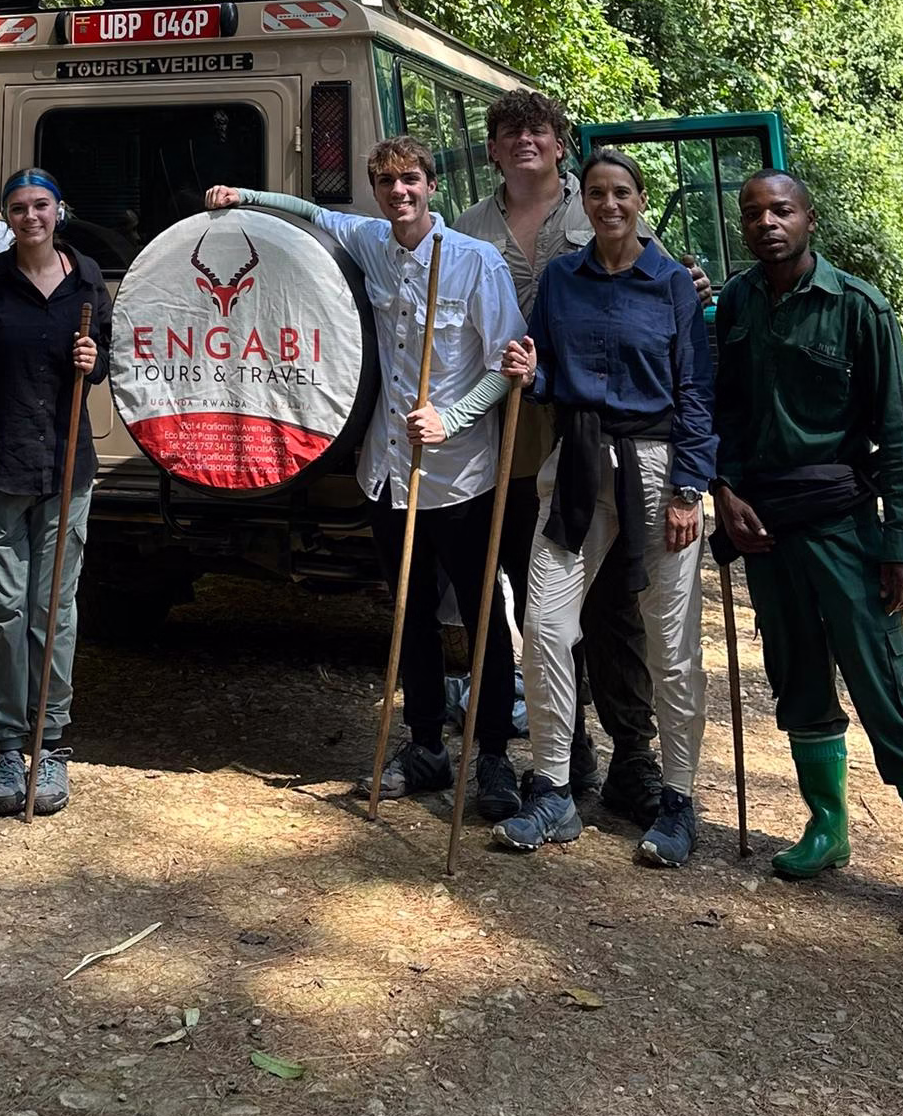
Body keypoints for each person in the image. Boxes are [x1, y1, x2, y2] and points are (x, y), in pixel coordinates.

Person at [206, 138, 527, 824]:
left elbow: (508, 364)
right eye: (384, 181)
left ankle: (494, 754)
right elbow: (312, 213)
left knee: (481, 621)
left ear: (431, 185)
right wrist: (243, 198)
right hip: (388, 474)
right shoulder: (372, 241)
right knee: (408, 614)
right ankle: (424, 747)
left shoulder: (476, 263)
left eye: (409, 179)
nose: (398, 192)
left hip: (460, 475)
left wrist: (454, 415)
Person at [712, 171, 903, 934]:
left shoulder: (860, 308)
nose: (766, 223)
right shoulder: (734, 305)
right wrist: (724, 492)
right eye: (753, 213)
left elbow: (898, 433)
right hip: (765, 525)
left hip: (845, 528)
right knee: (795, 678)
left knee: (883, 688)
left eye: (780, 210)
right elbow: (720, 412)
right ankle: (827, 827)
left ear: (809, 219)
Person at [494, 146, 713, 869]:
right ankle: (553, 786)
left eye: (621, 192)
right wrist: (535, 371)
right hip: (579, 459)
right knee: (546, 622)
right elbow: (550, 368)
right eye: (596, 193)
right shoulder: (561, 279)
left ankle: (677, 800)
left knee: (670, 641)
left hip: (656, 468)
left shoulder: (673, 284)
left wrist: (689, 488)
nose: (609, 204)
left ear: (639, 200)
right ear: (583, 204)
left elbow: (695, 394)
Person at [455, 91, 665, 825]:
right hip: (504, 447)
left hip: (596, 446)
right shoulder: (468, 229)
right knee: (535, 603)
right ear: (492, 149)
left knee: (616, 609)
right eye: (509, 131)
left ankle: (632, 759)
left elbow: (657, 292)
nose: (524, 141)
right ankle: (557, 753)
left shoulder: (602, 207)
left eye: (537, 129)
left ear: (560, 143)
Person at [0, 168, 109, 817]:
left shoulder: (88, 279)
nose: (30, 218)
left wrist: (91, 361)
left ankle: (50, 746)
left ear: (59, 209)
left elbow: (104, 358)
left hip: (66, 469)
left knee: (55, 611)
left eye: (40, 206)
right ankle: (5, 747)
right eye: (18, 208)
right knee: (4, 611)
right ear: (6, 217)